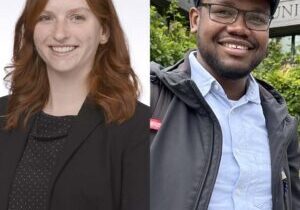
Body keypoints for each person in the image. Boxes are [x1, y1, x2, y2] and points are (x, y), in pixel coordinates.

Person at [150, 0, 300, 209]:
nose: (239, 28)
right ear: (195, 20)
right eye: (223, 12)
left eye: (256, 18)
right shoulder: (145, 98)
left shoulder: (282, 125)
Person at [0, 0, 149, 209]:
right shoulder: (4, 114)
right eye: (46, 18)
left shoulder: (137, 126)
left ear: (104, 31)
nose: (60, 33)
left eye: (77, 17)